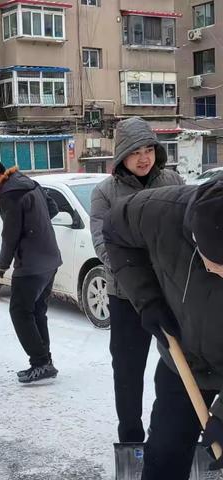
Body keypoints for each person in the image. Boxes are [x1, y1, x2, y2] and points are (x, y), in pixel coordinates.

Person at [103, 179, 223, 479]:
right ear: (194, 237)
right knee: (165, 453)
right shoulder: (160, 211)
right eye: (215, 263)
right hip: (183, 359)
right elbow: (114, 231)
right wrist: (147, 300)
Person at [90, 116, 184, 443]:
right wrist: (140, 277)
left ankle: (184, 433)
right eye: (135, 152)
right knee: (129, 370)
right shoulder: (106, 193)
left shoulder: (172, 180)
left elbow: (188, 229)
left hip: (173, 291)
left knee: (185, 365)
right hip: (126, 296)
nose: (144, 158)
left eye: (149, 150)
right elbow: (104, 246)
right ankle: (131, 437)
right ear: (121, 156)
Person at [0, 157, 61, 383]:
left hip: (31, 264)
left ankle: (41, 362)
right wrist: (35, 226)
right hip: (50, 258)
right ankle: (45, 362)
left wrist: (2, 264)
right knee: (36, 311)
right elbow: (52, 208)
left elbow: (10, 235)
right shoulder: (27, 182)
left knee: (20, 312)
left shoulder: (8, 193)